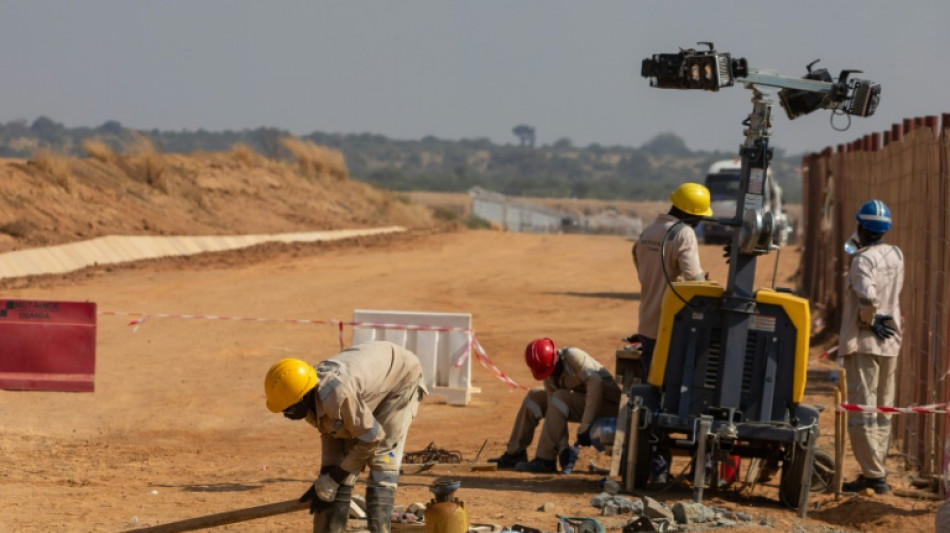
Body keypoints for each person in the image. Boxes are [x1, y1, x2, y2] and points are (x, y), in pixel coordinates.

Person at [264, 340, 427, 533]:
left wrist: (334, 478)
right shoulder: (308, 393)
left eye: (287, 409)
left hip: (400, 378)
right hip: (368, 385)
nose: (285, 414)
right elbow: (330, 432)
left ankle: (380, 528)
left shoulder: (337, 395)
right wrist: (326, 478)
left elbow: (372, 437)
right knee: (338, 471)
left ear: (302, 398)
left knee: (382, 458)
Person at [839, 199, 903, 495]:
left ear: (861, 227)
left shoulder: (862, 260)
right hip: (890, 339)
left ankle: (873, 475)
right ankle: (876, 470)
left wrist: (869, 318)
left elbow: (867, 298)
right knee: (883, 407)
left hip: (865, 339)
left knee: (862, 407)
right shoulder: (895, 253)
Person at [488, 338, 621, 474]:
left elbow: (596, 382)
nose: (550, 375)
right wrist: (563, 447)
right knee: (534, 396)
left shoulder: (573, 356)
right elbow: (555, 409)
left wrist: (585, 427)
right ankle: (515, 454)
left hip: (609, 406)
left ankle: (545, 459)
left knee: (560, 397)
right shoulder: (548, 374)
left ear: (555, 357)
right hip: (584, 403)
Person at [632, 182, 710, 376]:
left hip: (647, 324)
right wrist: (706, 283)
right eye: (700, 216)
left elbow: (644, 271)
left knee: (649, 383)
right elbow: (695, 280)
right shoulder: (684, 233)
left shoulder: (647, 232)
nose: (700, 221)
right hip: (671, 326)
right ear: (692, 213)